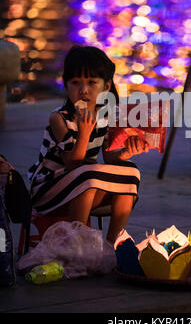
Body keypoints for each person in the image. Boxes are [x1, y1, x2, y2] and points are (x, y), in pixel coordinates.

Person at [28, 46, 149, 244]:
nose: (83, 90)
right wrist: (84, 132)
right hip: (48, 191)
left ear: (106, 86)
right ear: (66, 86)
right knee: (88, 173)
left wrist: (127, 152)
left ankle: (112, 245)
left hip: (84, 185)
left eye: (92, 82)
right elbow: (72, 164)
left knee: (130, 172)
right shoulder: (59, 118)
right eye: (75, 83)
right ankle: (81, 245)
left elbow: (109, 158)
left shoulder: (107, 115)